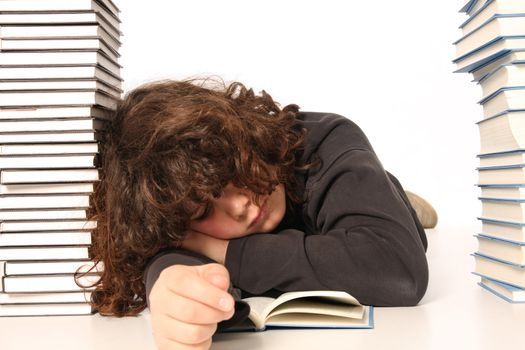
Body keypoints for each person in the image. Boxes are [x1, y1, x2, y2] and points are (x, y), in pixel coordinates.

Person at [87, 78, 435, 350]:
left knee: (394, 218)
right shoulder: (177, 226)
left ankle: (394, 197)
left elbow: (399, 270)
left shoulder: (327, 138)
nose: (240, 206)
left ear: (244, 138)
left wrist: (224, 252)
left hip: (347, 188)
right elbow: (173, 267)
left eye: (231, 172)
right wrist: (165, 281)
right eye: (204, 209)